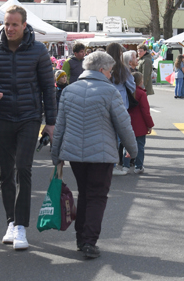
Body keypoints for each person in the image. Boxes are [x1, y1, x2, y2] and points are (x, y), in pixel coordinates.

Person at [0, 5, 56, 251]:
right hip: (2, 117)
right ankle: (11, 222)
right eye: (6, 24)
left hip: (29, 117)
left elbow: (48, 88)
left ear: (24, 25)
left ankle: (21, 226)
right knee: (5, 173)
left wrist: (51, 123)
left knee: (23, 168)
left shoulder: (38, 50)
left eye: (14, 24)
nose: (9, 29)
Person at [51, 51, 138, 259]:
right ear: (101, 70)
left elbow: (60, 125)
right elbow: (124, 125)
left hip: (75, 155)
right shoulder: (109, 92)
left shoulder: (69, 91)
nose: (110, 75)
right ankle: (89, 241)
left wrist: (56, 154)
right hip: (102, 154)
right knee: (97, 196)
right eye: (109, 71)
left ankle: (81, 238)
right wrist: (133, 151)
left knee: (84, 193)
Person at [106, 43, 137, 176]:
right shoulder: (123, 69)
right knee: (118, 137)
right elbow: (132, 86)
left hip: (105, 104)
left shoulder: (103, 67)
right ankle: (112, 165)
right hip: (120, 105)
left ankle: (107, 164)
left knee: (106, 135)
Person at [124, 71, 154, 173]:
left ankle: (126, 165)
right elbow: (145, 111)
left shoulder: (126, 92)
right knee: (140, 146)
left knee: (126, 144)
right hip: (139, 123)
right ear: (140, 81)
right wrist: (149, 125)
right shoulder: (141, 93)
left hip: (127, 122)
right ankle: (138, 166)